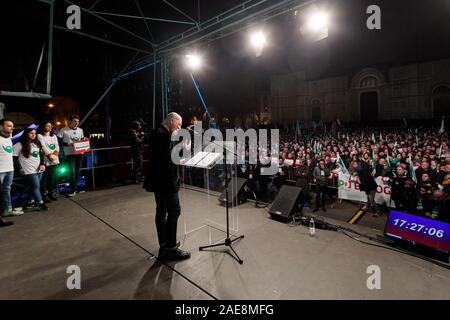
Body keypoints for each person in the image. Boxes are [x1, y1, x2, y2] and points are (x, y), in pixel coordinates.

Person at [143, 112, 190, 261]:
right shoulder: (163, 135)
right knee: (174, 211)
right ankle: (170, 248)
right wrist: (184, 146)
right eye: (179, 124)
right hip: (166, 182)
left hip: (158, 181)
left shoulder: (157, 132)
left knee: (161, 211)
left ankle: (164, 245)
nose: (179, 127)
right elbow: (170, 158)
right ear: (171, 120)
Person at [13, 128, 48, 211]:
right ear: (26, 134)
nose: (33, 135)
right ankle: (40, 203)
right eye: (31, 133)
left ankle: (30, 202)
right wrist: (20, 168)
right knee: (36, 186)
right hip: (28, 170)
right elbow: (14, 158)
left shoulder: (37, 143)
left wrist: (42, 164)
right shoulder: (19, 144)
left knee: (33, 186)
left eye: (35, 133)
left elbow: (41, 155)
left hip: (38, 169)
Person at [0, 119, 24, 227]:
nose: (12, 128)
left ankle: (7, 210)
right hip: (0, 171)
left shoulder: (9, 138)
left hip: (9, 169)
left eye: (12, 126)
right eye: (9, 126)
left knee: (6, 191)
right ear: (1, 127)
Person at [57, 115, 84, 197]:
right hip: (69, 154)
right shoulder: (63, 130)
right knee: (72, 172)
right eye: (75, 121)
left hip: (79, 153)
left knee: (77, 171)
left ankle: (76, 188)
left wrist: (84, 140)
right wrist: (68, 143)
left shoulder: (80, 130)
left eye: (78, 121)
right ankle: (73, 189)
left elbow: (82, 140)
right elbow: (58, 141)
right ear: (70, 121)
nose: (76, 123)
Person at [38, 121, 60, 202]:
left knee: (52, 178)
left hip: (54, 159)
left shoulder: (54, 136)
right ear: (43, 126)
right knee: (44, 179)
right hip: (46, 160)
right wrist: (50, 156)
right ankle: (44, 195)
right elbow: (43, 147)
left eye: (51, 126)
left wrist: (54, 156)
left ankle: (51, 193)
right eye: (47, 126)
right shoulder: (39, 135)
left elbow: (57, 146)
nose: (50, 127)